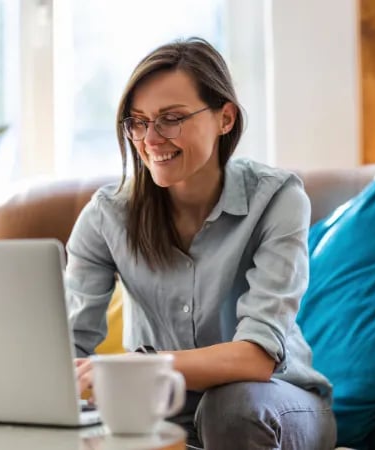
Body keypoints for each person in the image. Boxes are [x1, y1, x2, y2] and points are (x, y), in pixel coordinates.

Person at [65, 37, 336, 450]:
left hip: (277, 403)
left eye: (171, 118)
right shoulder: (107, 216)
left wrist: (140, 367)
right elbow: (67, 343)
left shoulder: (278, 200)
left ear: (225, 117)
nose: (150, 139)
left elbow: (256, 357)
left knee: (230, 406)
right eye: (137, 122)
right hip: (158, 411)